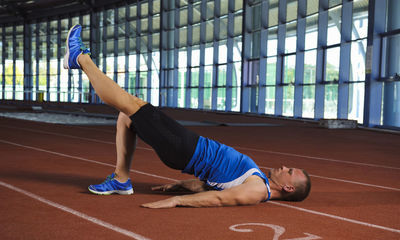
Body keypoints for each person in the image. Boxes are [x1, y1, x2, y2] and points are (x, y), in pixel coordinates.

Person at [63, 25, 311, 208]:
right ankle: (121, 180)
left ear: (288, 187)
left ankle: (81, 58)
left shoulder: (258, 190)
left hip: (184, 148)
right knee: (127, 115)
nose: (284, 166)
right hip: (188, 145)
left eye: (289, 171)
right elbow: (213, 186)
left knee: (128, 103)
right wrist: (181, 185)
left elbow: (219, 198)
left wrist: (176, 200)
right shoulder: (258, 182)